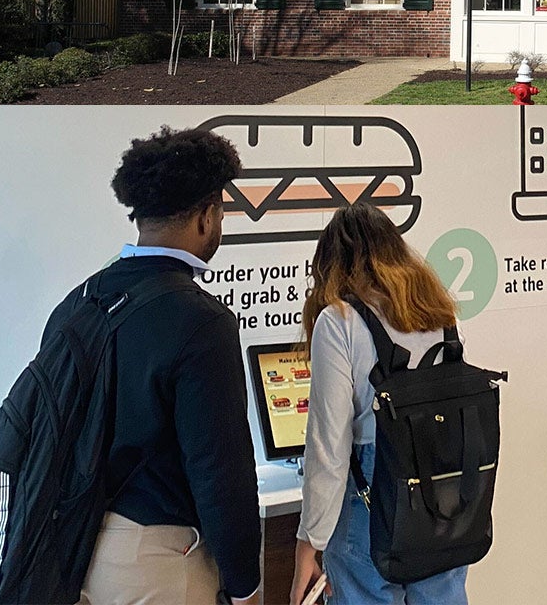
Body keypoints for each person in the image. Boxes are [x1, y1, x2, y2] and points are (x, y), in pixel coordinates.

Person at [72, 126, 260, 604]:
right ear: (206, 216)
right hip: (159, 562)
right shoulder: (202, 321)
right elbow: (220, 471)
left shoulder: (81, 301)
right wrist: (245, 587)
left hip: (78, 554)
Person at [291, 202, 468, 605]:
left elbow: (328, 447)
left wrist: (308, 543)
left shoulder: (338, 320)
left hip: (371, 492)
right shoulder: (439, 315)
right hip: (447, 494)